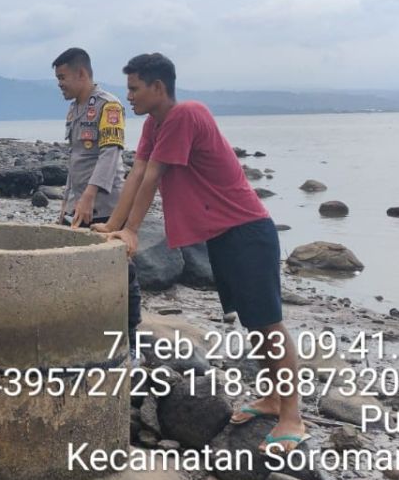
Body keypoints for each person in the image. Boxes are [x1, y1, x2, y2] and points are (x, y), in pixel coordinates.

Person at [94, 53, 307, 453]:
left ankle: (292, 415)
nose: (129, 96)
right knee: (253, 323)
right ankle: (274, 398)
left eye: (135, 88)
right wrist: (113, 228)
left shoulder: (186, 114)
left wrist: (133, 232)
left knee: (269, 325)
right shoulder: (155, 124)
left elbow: (154, 177)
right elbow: (138, 172)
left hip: (247, 232)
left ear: (158, 87)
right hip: (224, 237)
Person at [52, 47, 141, 346]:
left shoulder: (109, 106)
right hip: (79, 205)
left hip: (106, 205)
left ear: (82, 74)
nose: (60, 84)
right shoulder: (74, 108)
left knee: (120, 271)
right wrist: (66, 204)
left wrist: (89, 195)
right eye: (57, 78)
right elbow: (76, 159)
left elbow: (110, 153)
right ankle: (86, 329)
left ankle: (130, 336)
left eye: (63, 77)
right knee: (73, 267)